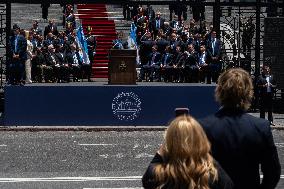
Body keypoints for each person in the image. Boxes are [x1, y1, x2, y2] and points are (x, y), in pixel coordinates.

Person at [199, 68, 281, 189]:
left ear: (219, 90)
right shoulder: (261, 127)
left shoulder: (203, 126)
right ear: (248, 92)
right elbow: (273, 172)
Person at [142, 115, 234, 189]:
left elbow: (146, 180)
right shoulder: (214, 175)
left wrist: (164, 148)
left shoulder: (158, 176)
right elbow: (229, 185)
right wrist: (201, 150)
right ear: (200, 139)